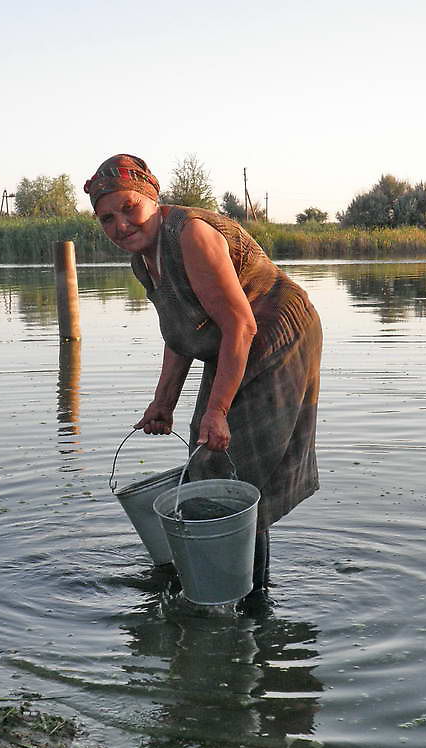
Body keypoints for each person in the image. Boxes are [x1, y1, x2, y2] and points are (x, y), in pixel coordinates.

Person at [85, 154, 322, 594]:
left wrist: (218, 409)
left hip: (274, 334)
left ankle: (248, 591)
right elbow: (180, 334)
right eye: (106, 219)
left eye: (128, 209)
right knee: (208, 450)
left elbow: (241, 325)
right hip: (234, 342)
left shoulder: (191, 234)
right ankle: (217, 578)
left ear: (151, 199)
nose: (120, 225)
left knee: (233, 465)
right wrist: (162, 404)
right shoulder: (144, 259)